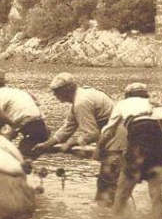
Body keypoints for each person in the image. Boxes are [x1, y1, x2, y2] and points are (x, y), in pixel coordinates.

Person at [31, 72, 115, 202]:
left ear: (66, 90)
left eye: (56, 92)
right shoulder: (80, 98)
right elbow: (68, 127)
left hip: (115, 140)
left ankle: (108, 212)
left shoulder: (81, 102)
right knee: (109, 184)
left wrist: (71, 142)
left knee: (106, 186)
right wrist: (47, 144)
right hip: (110, 137)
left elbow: (91, 134)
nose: (55, 95)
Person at [98, 82, 162, 217]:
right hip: (161, 143)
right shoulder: (156, 105)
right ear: (145, 94)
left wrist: (99, 148)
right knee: (155, 182)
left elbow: (109, 131)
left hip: (140, 135)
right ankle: (158, 215)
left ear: (127, 95)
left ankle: (115, 217)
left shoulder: (122, 104)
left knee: (125, 183)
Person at [0, 67, 49, 158]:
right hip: (42, 128)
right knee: (22, 155)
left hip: (32, 129)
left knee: (20, 158)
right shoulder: (16, 92)